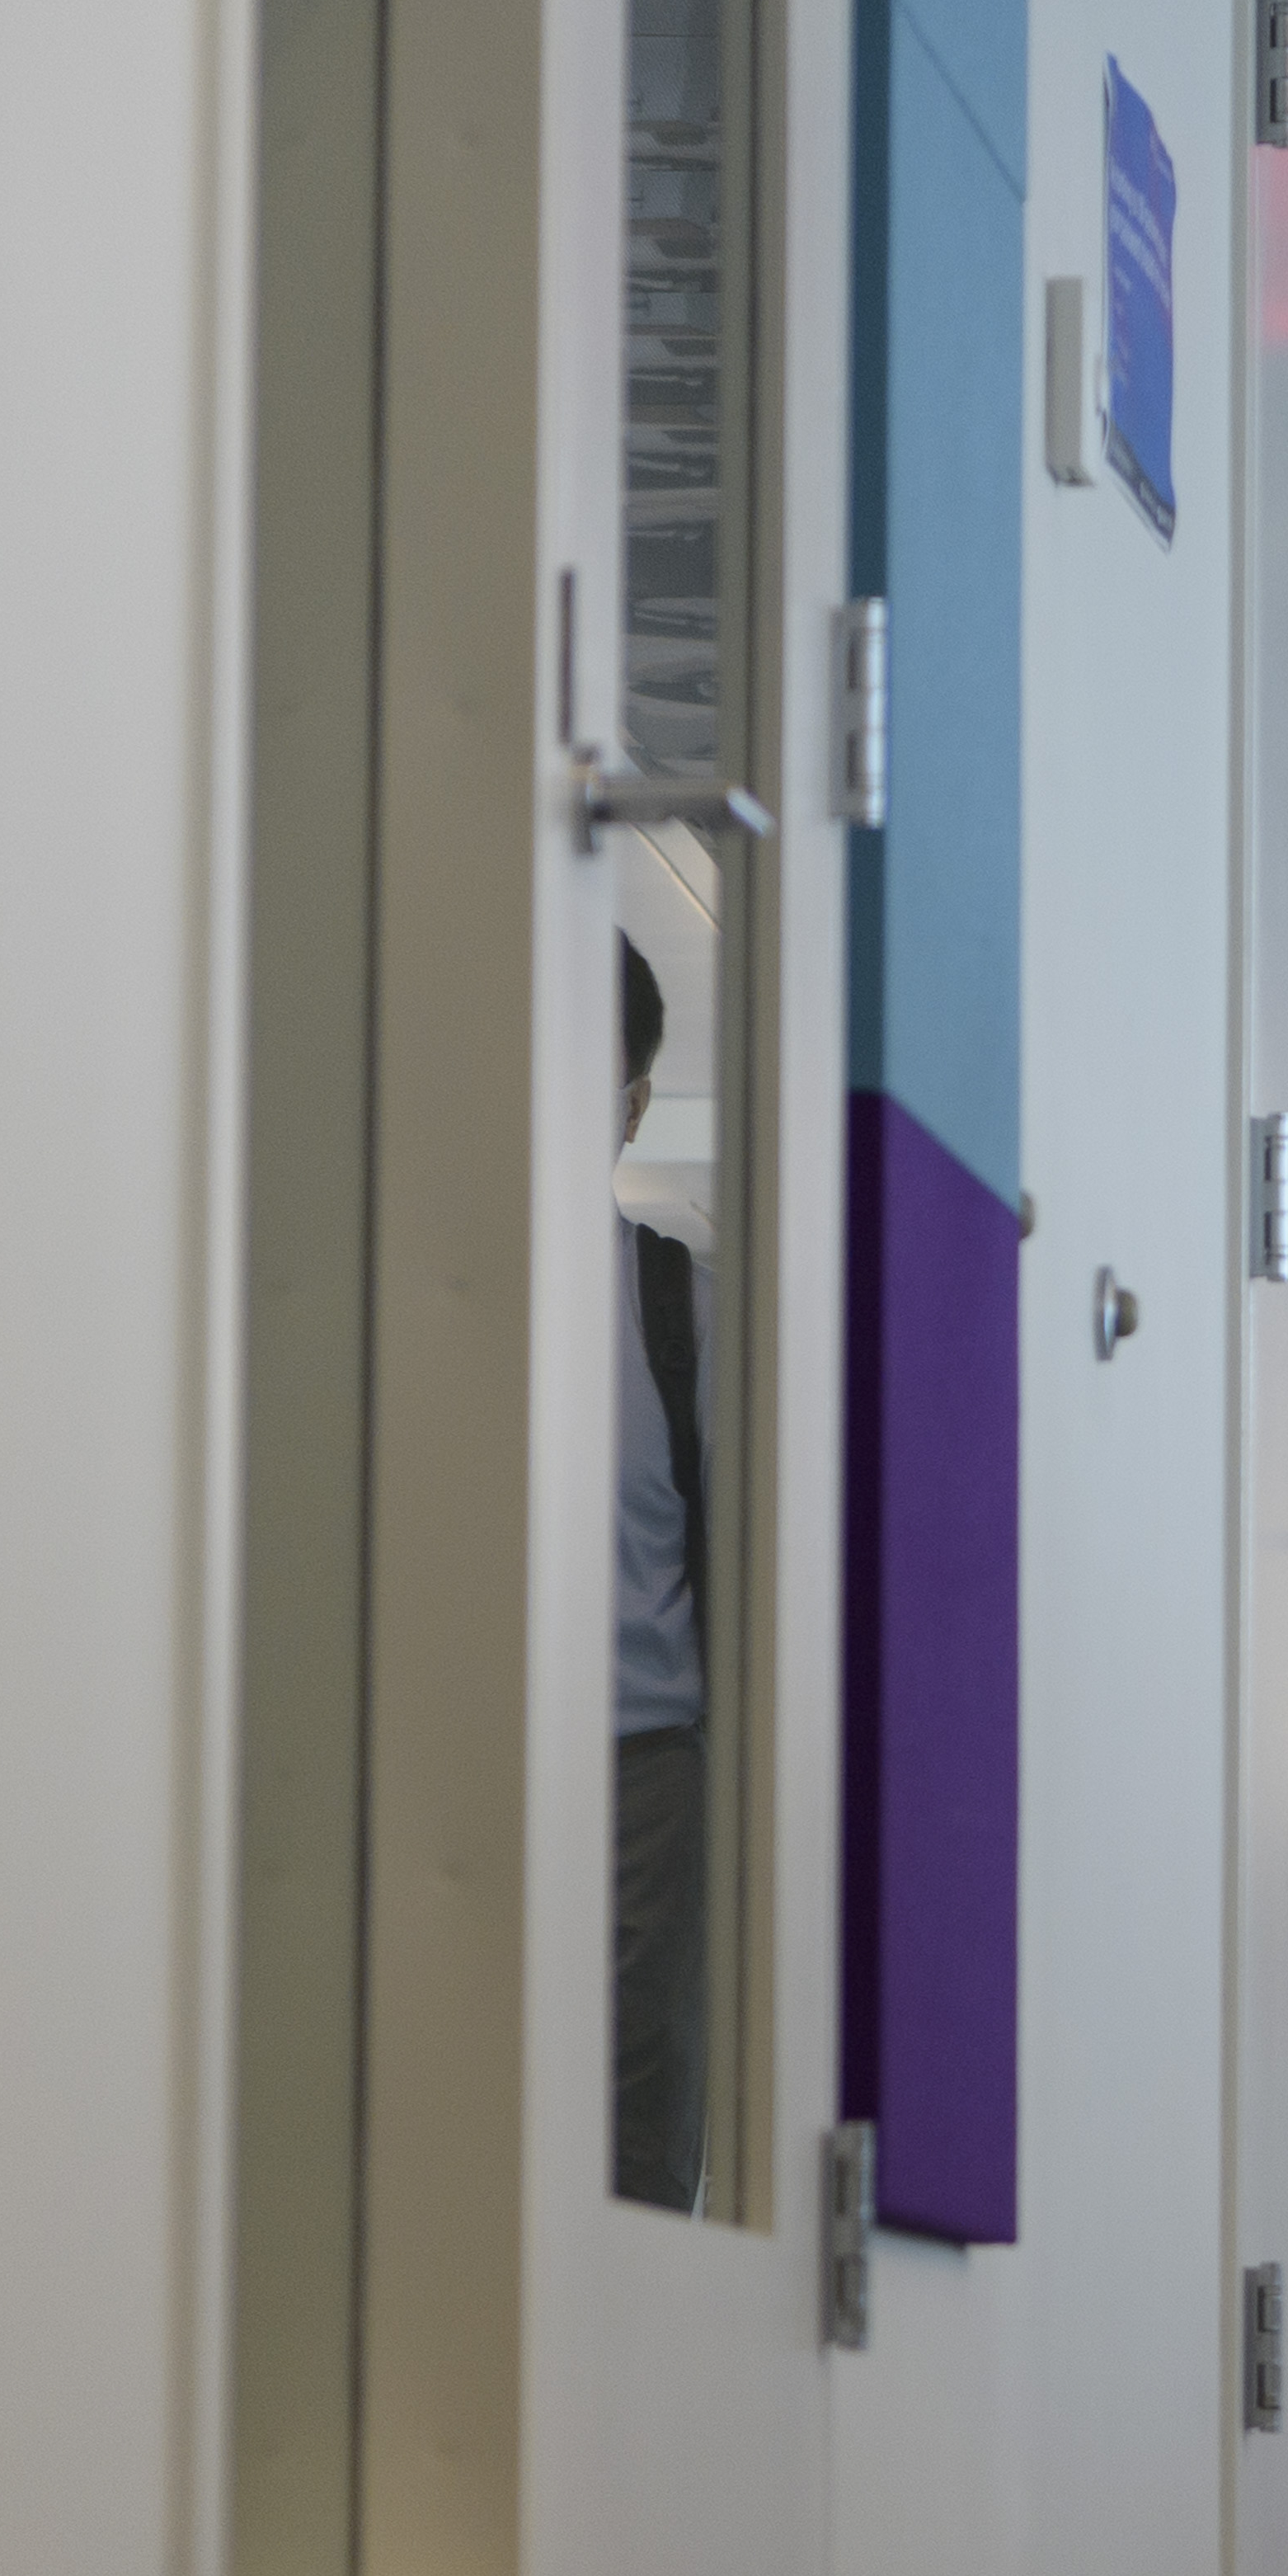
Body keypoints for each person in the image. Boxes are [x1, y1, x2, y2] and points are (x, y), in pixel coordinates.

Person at [613, 933, 716, 2211]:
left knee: (630, 2167)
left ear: (631, 1106)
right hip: (430, 1764)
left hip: (638, 1789)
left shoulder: (681, 1307)